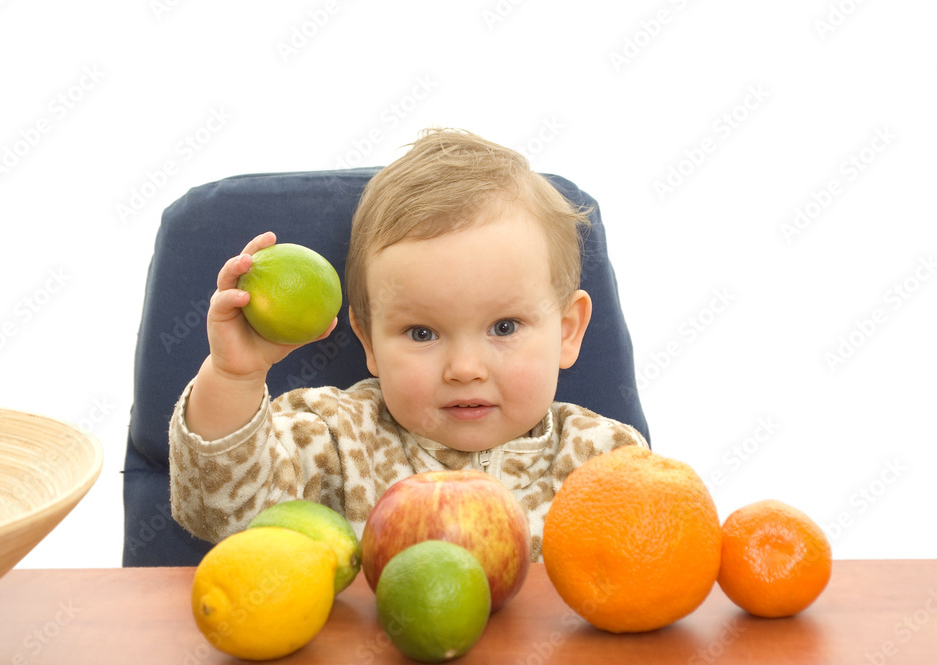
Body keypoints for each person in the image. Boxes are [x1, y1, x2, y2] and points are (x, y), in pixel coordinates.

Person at [169, 128, 648, 561]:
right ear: (369, 342)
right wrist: (234, 376)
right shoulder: (338, 438)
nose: (465, 368)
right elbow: (224, 511)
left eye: (504, 327)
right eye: (422, 333)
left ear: (566, 331)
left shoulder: (604, 459)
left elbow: (653, 576)